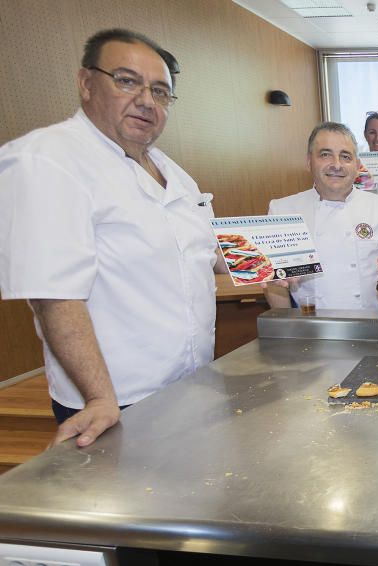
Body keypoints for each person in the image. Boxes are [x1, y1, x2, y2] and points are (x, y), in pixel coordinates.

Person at [0, 29, 225, 446]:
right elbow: (55, 296)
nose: (146, 100)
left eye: (160, 91)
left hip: (191, 383)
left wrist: (271, 266)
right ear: (86, 83)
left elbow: (206, 254)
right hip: (114, 402)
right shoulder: (47, 160)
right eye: (126, 81)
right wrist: (100, 397)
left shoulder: (173, 172)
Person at [264, 122, 378, 310]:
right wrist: (289, 330)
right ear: (309, 162)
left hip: (370, 326)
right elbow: (275, 287)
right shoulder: (283, 210)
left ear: (357, 166)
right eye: (325, 154)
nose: (336, 165)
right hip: (310, 328)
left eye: (345, 156)